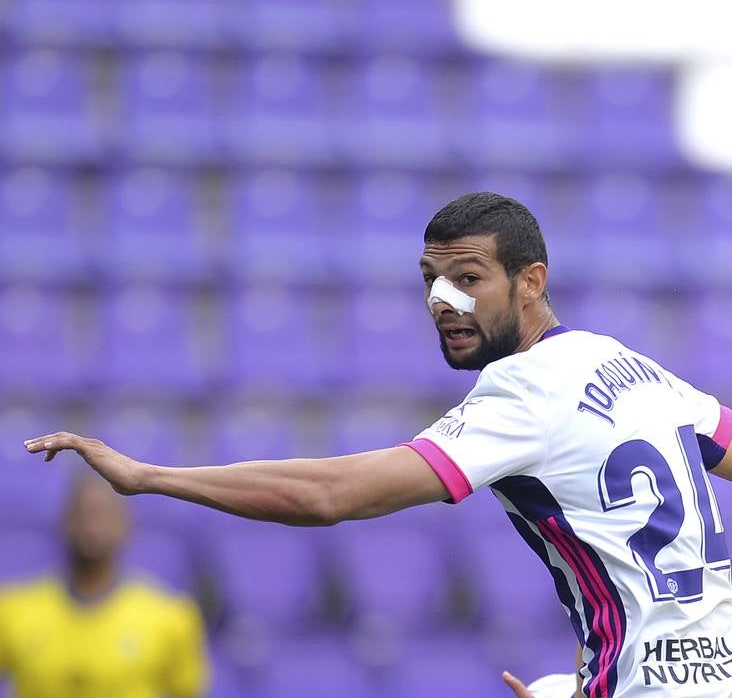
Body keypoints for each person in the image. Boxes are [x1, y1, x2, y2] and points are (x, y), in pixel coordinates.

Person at [25, 191, 732, 696]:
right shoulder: (635, 368)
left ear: (531, 281)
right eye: (430, 281)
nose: (441, 302)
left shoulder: (524, 389)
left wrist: (148, 476)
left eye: (468, 279)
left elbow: (331, 496)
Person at [0, 474, 208, 698]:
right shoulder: (13, 609)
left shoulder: (170, 615)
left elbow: (187, 690)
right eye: (83, 515)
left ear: (126, 525)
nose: (92, 526)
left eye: (102, 515)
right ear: (64, 522)